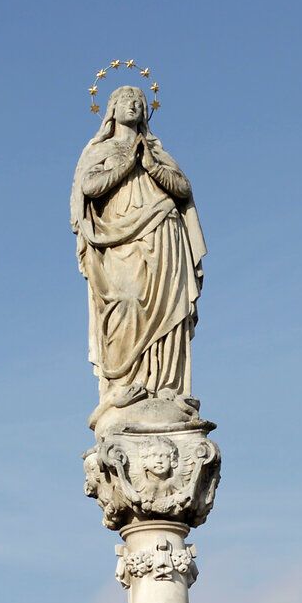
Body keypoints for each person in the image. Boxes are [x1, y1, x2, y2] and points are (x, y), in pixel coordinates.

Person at [71, 86, 205, 419]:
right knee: (126, 301)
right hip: (121, 239)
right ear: (111, 110)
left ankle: (165, 389)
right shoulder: (101, 149)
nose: (133, 105)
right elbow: (89, 188)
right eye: (125, 100)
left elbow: (183, 188)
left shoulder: (156, 151)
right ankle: (123, 386)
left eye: (139, 102)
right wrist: (128, 162)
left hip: (164, 234)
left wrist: (151, 165)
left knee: (168, 311)